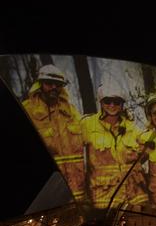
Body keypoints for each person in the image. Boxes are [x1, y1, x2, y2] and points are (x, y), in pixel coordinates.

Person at [80, 81, 148, 210]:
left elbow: (149, 150)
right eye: (108, 101)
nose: (112, 105)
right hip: (102, 198)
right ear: (101, 102)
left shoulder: (132, 128)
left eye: (116, 102)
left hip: (134, 198)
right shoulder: (87, 124)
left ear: (122, 105)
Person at [22, 64, 86, 201]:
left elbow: (88, 134)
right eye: (49, 83)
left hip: (76, 191)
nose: (53, 88)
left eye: (57, 84)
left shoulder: (71, 110)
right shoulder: (27, 110)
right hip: (46, 190)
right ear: (40, 85)